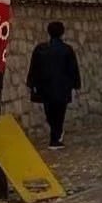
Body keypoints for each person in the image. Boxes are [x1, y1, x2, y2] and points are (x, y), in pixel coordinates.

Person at [26, 21, 81, 149]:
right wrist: (76, 84)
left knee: (49, 112)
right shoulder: (66, 50)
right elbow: (73, 68)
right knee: (59, 112)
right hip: (62, 87)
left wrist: (31, 83)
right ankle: (56, 137)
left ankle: (55, 137)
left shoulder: (40, 49)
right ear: (62, 32)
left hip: (45, 87)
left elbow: (34, 67)